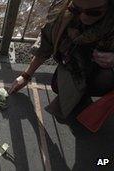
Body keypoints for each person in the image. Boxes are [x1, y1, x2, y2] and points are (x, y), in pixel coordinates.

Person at [9, 0, 114, 133]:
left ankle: (86, 95)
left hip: (105, 72)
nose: (83, 17)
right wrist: (26, 75)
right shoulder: (62, 12)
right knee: (57, 86)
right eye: (76, 10)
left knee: (101, 83)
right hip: (75, 64)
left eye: (93, 12)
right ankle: (80, 95)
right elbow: (45, 45)